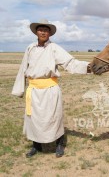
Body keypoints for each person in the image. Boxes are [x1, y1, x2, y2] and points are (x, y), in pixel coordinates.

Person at [11, 19, 92, 158]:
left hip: (50, 90)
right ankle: (36, 146)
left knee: (54, 118)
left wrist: (88, 67)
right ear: (36, 32)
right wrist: (19, 89)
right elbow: (23, 68)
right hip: (34, 90)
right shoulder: (30, 48)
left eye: (46, 30)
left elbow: (69, 62)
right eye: (41, 29)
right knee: (34, 120)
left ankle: (59, 144)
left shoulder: (54, 48)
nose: (43, 32)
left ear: (49, 33)